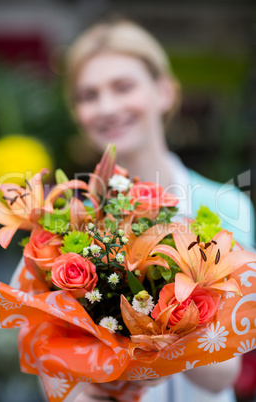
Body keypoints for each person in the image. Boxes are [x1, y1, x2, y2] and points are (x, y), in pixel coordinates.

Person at [65, 18, 255, 402]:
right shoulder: (70, 221)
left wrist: (154, 350)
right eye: (88, 95)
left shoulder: (225, 205)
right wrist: (88, 388)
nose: (106, 107)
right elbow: (47, 364)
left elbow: (225, 373)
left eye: (123, 87)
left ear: (165, 92)